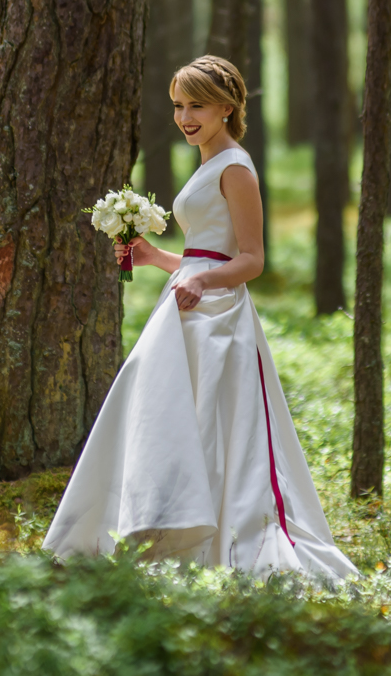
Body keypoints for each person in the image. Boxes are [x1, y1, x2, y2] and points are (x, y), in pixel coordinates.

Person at [41, 55, 357, 579]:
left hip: (218, 318)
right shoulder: (210, 162)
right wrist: (156, 258)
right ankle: (151, 523)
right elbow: (203, 254)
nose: (186, 116)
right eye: (178, 106)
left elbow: (252, 259)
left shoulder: (235, 167)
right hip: (189, 306)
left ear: (227, 108)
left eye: (198, 106)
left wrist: (200, 280)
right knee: (163, 412)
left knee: (213, 419)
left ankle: (214, 535)